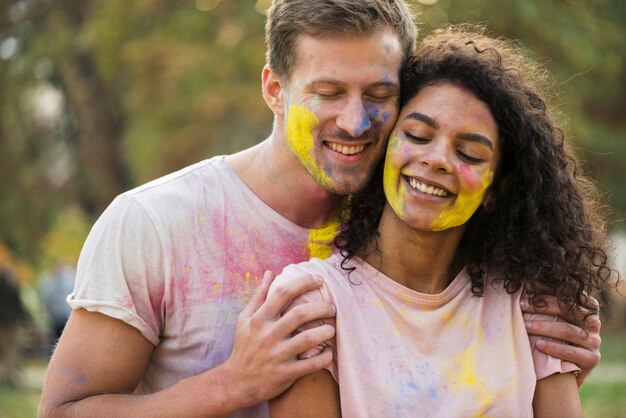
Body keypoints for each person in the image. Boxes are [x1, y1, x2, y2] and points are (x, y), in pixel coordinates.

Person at [39, 2, 602, 417]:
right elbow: (63, 413)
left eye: (379, 96)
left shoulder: (422, 220)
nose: (355, 122)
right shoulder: (155, 223)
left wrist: (552, 364)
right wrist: (235, 384)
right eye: (328, 92)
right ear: (274, 89)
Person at [269, 25, 615, 417]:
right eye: (417, 135)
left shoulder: (531, 303)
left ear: (496, 189)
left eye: (469, 153)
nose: (436, 159)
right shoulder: (312, 305)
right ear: (385, 147)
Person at [0, 268, 30, 387]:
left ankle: (6, 376)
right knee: (11, 351)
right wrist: (27, 319)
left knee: (3, 351)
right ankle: (6, 377)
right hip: (11, 323)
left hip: (1, 323)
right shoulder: (13, 288)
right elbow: (19, 306)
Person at [39, 262, 75, 356]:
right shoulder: (67, 281)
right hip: (61, 316)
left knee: (58, 339)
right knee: (59, 339)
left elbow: (47, 299)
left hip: (59, 316)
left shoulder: (52, 283)